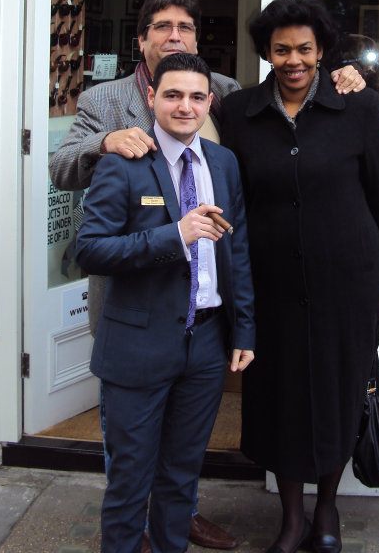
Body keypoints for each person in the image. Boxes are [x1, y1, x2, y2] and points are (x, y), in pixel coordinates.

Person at [49, 0, 364, 550]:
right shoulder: (105, 104)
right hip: (137, 316)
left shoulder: (223, 96)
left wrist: (342, 77)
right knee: (131, 465)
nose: (175, 38)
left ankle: (178, 523)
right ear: (142, 42)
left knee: (181, 463)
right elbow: (66, 181)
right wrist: (105, 146)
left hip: (202, 326)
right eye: (163, 28)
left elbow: (288, 98)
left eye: (186, 28)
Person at [220, 0, 379, 553]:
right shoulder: (238, 113)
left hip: (349, 280)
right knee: (280, 397)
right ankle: (291, 515)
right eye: (281, 50)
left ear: (322, 51)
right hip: (271, 283)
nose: (293, 60)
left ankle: (327, 509)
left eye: (304, 48)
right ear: (266, 54)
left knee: (338, 392)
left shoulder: (358, 108)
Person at [75, 52, 255, 553]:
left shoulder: (223, 162)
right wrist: (172, 236)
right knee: (130, 482)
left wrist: (244, 330)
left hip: (204, 345)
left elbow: (235, 250)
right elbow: (88, 250)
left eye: (196, 97)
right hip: (137, 346)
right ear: (151, 98)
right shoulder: (123, 163)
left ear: (210, 102)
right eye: (172, 95)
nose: (184, 107)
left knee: (181, 477)